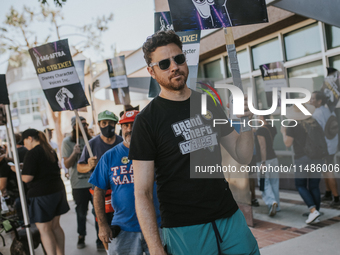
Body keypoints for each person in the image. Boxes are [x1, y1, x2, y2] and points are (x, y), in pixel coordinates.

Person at [129, 30, 259, 255]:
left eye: (178, 59)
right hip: (184, 228)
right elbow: (142, 193)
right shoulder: (146, 121)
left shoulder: (208, 103)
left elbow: (243, 156)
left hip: (229, 216)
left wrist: (247, 123)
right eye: (164, 63)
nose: (174, 67)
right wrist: (155, 248)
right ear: (151, 71)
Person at [89, 110, 162, 254]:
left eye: (133, 124)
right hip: (124, 228)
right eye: (125, 125)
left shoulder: (157, 152)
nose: (129, 129)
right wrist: (103, 225)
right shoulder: (109, 157)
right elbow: (98, 192)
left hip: (157, 225)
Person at [15, 129, 69, 255]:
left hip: (42, 195)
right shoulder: (48, 149)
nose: (24, 145)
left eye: (24, 142)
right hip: (57, 190)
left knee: (44, 229)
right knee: (55, 226)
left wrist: (17, 171)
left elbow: (27, 178)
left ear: (30, 138)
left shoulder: (33, 152)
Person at [77, 110, 123, 251]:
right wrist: (89, 165)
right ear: (99, 124)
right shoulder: (91, 145)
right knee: (101, 218)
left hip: (120, 189)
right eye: (104, 123)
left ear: (115, 124)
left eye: (110, 123)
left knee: (120, 218)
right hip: (100, 190)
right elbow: (80, 166)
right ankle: (103, 245)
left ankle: (121, 244)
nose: (107, 126)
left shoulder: (122, 142)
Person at [281, 105, 323, 224]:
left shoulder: (292, 124)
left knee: (300, 185)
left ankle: (313, 211)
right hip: (317, 158)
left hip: (302, 159)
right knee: (314, 186)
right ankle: (316, 212)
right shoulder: (314, 122)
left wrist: (283, 132)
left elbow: (288, 143)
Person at [61, 116, 93, 249]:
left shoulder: (91, 140)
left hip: (93, 182)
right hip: (78, 184)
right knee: (81, 212)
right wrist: (74, 153)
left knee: (99, 211)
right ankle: (81, 236)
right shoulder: (68, 142)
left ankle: (100, 239)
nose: (84, 126)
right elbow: (67, 164)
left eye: (85, 124)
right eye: (81, 124)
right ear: (75, 126)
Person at [309, 91, 340, 207]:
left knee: (328, 171)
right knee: (325, 170)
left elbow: (316, 133)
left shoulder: (316, 114)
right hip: (332, 144)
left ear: (319, 101)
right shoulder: (328, 110)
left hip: (324, 148)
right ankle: (328, 193)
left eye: (312, 99)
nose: (310, 101)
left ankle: (336, 198)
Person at [255, 115, 280, 216]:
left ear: (262, 117)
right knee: (274, 182)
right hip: (274, 159)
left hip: (264, 161)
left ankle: (271, 202)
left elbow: (262, 147)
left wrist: (263, 162)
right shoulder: (273, 128)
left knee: (263, 183)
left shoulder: (260, 131)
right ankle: (277, 206)